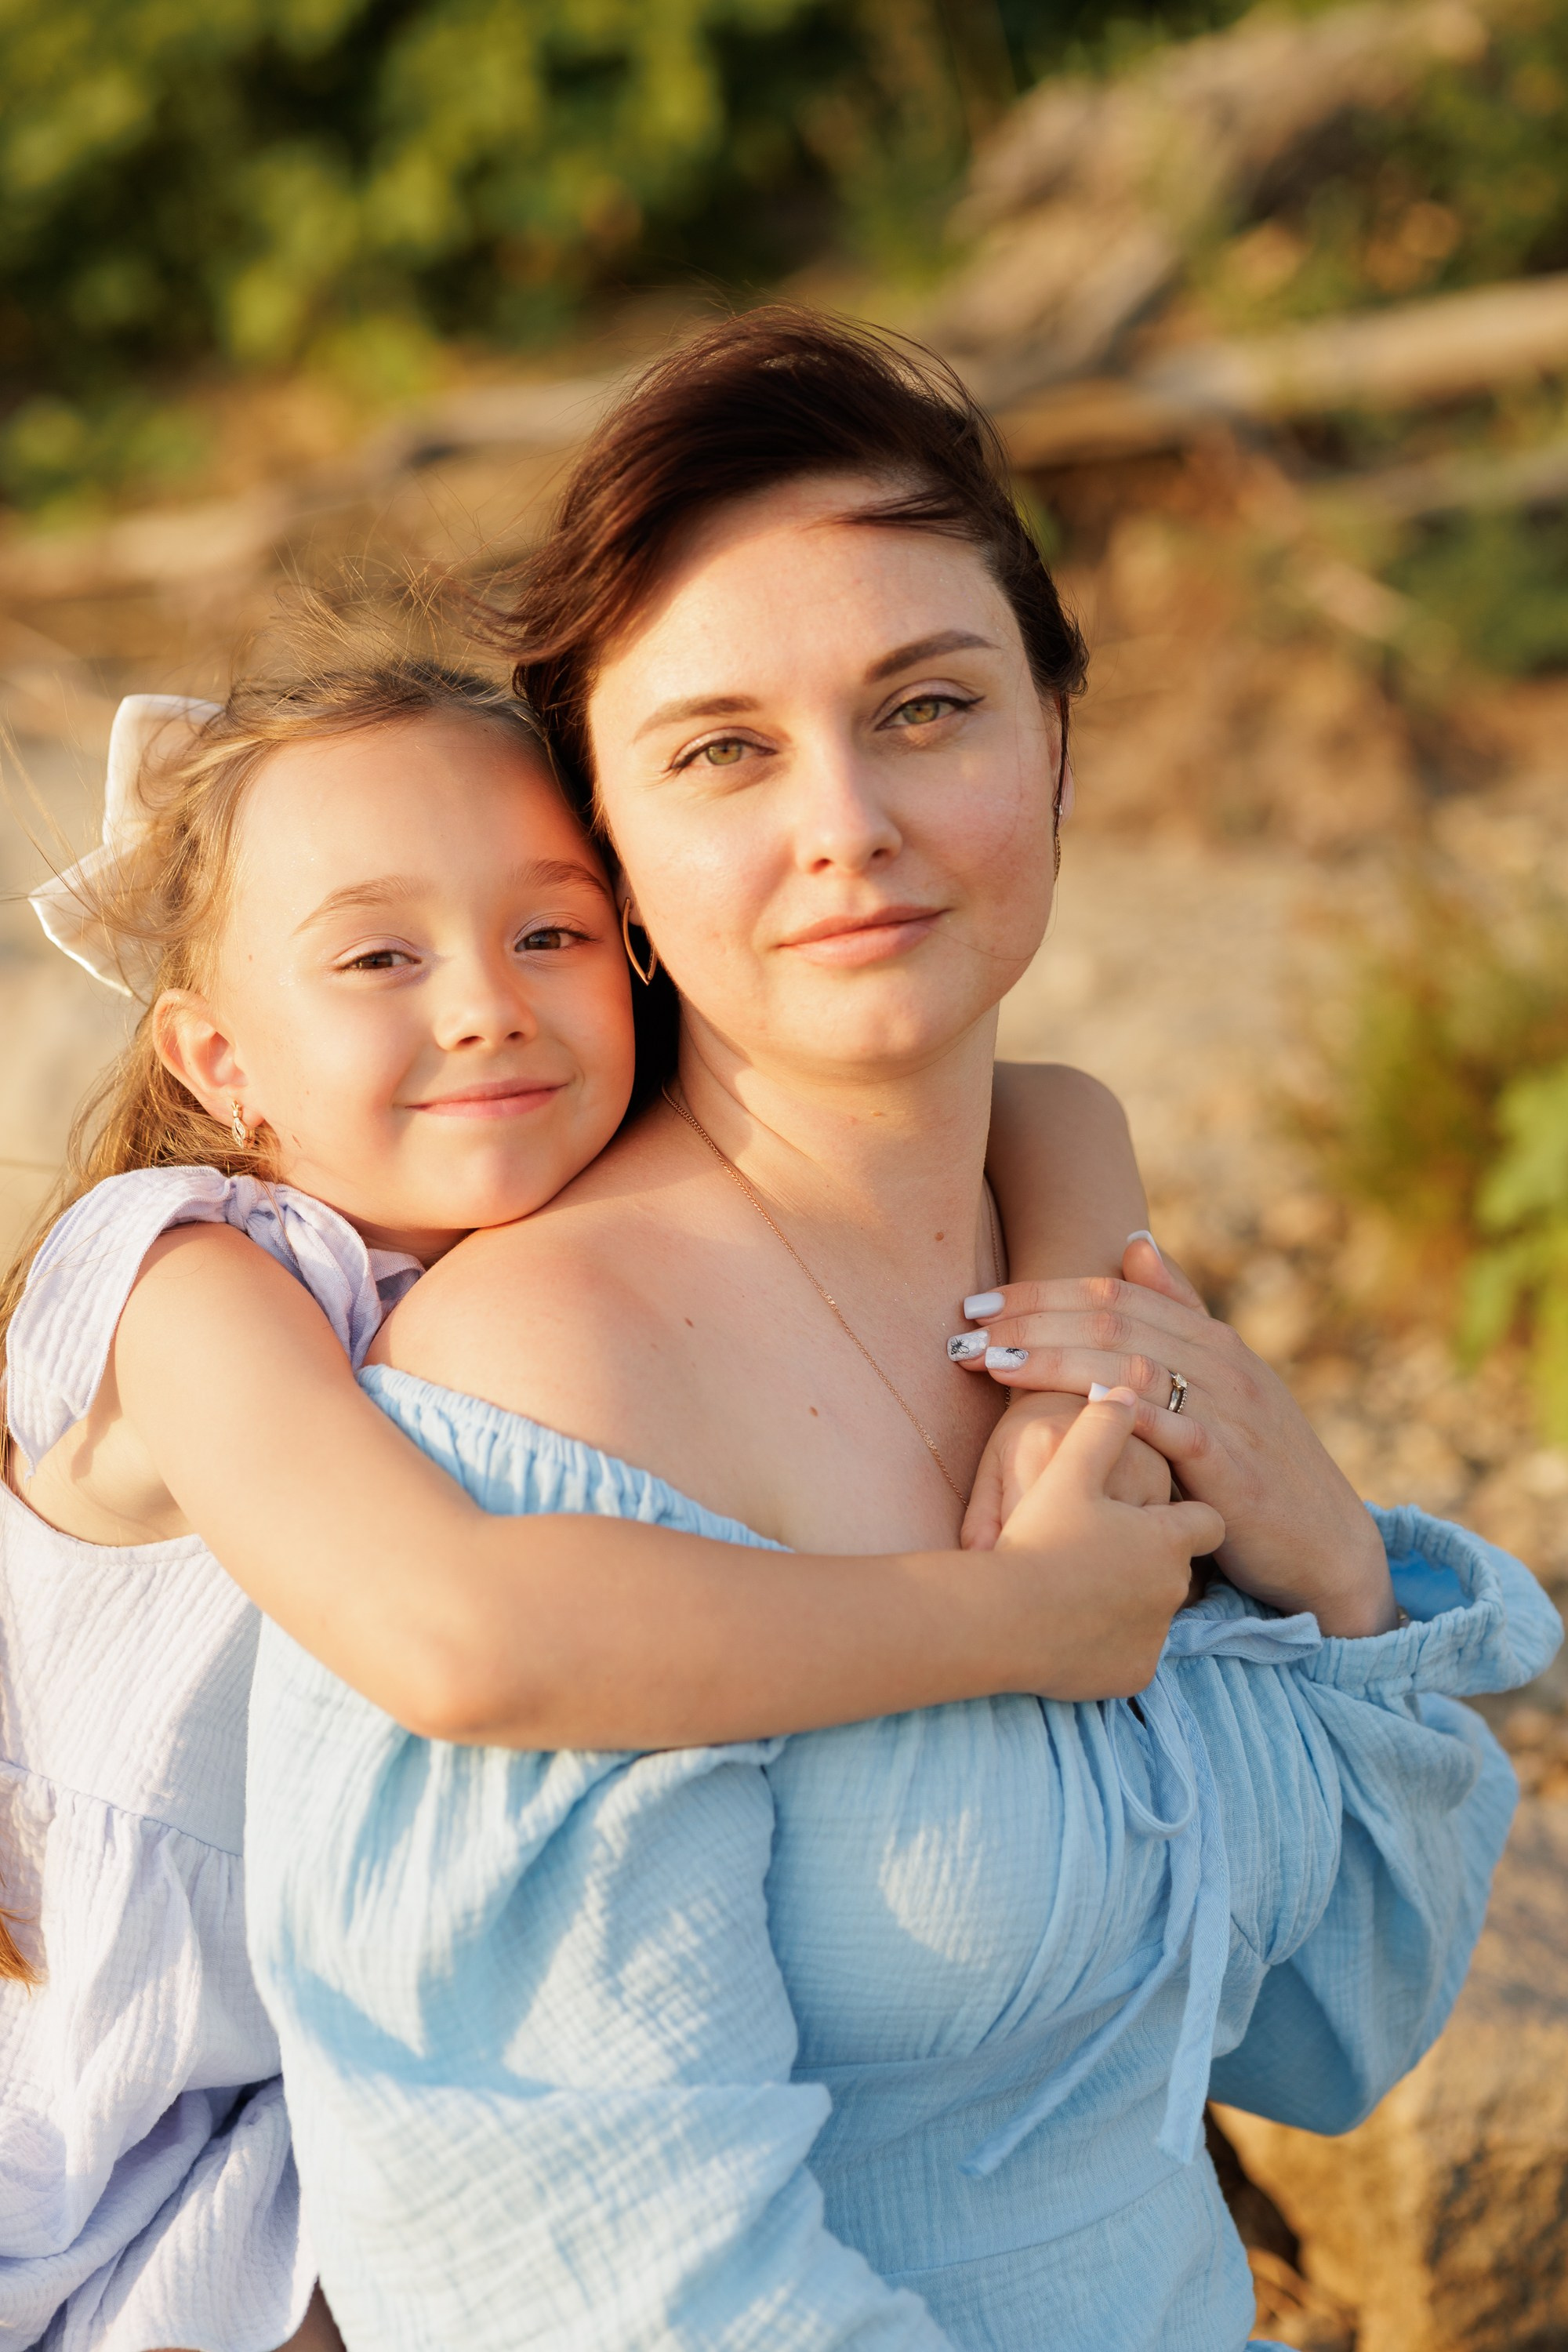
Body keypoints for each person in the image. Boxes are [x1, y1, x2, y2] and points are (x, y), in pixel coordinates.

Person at [245, 308, 1563, 2350]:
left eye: (927, 706)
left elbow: (1328, 2033)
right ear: (609, 855)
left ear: (1057, 743)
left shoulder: (1082, 1276)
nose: (845, 819)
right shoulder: (542, 1399)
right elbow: (579, 2285)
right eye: (723, 751)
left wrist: (1331, 1580)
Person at [0, 611, 1210, 2351]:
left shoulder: (559, 1224)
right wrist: (1017, 1617)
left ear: (638, 949)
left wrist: (1061, 1353)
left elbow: (1049, 1099)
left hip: (336, 2045)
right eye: (376, 962)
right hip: (106, 2108)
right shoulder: (189, 1286)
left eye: (549, 932)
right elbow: (462, 1643)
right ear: (219, 1062)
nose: (489, 1007)